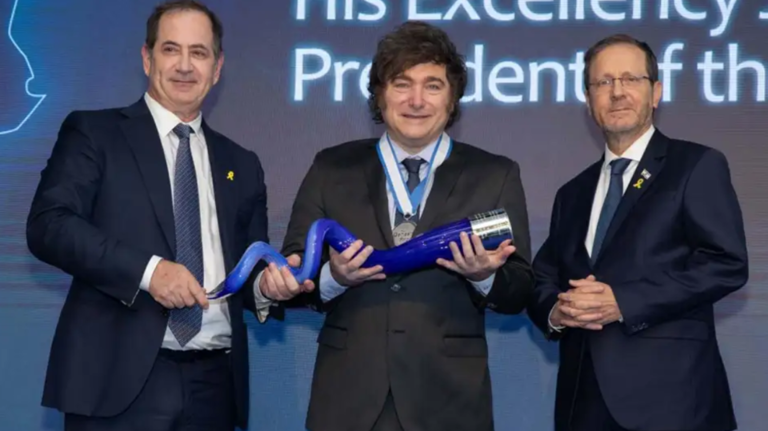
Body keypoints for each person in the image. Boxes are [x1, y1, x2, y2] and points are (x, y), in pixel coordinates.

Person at [25, 1, 312, 430]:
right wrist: (150, 272)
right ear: (147, 58)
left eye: (199, 53)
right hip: (116, 381)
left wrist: (268, 288)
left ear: (217, 68)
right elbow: (49, 225)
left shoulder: (241, 163)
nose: (184, 66)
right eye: (170, 49)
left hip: (215, 384)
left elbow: (247, 267)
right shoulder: (95, 133)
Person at [268, 21, 534, 431]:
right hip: (349, 403)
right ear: (379, 95)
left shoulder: (494, 174)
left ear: (452, 98)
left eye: (433, 85)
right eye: (401, 84)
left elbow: (521, 289)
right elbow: (292, 273)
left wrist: (484, 276)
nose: (416, 100)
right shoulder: (331, 167)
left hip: (449, 403)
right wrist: (334, 278)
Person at [527, 34, 749, 431]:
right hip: (583, 404)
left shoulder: (696, 165)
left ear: (656, 92)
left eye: (630, 79)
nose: (617, 92)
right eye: (603, 82)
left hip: (674, 402)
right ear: (589, 100)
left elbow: (726, 263)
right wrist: (557, 313)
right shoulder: (572, 193)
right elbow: (543, 277)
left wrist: (624, 302)